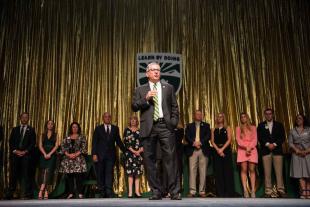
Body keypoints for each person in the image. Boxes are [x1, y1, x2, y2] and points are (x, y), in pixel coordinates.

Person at [132, 62, 181, 200]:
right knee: (149, 160)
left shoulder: (168, 88)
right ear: (147, 73)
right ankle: (156, 191)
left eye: (158, 70)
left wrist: (173, 122)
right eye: (153, 70)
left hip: (165, 126)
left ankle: (174, 191)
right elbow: (134, 106)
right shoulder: (140, 89)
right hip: (149, 127)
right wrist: (145, 99)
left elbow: (174, 107)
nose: (156, 72)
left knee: (170, 159)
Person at [92, 112, 126, 198]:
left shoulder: (115, 128)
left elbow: (118, 141)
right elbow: (94, 142)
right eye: (105, 117)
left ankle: (108, 192)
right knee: (101, 173)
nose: (107, 118)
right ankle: (102, 191)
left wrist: (126, 151)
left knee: (109, 173)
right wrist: (94, 154)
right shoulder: (98, 128)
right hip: (100, 155)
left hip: (111, 155)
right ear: (103, 118)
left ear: (110, 118)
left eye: (109, 117)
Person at [6, 112, 36, 199]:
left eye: (26, 117)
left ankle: (27, 194)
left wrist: (25, 151)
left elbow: (33, 143)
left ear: (28, 119)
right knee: (14, 174)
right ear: (20, 118)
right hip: (15, 155)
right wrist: (15, 151)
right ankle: (11, 193)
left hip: (26, 156)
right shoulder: (15, 129)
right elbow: (11, 142)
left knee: (26, 175)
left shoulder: (31, 130)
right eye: (23, 117)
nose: (24, 119)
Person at [257, 108, 286, 198]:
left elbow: (282, 137)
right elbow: (260, 137)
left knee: (279, 172)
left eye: (270, 114)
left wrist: (274, 144)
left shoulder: (279, 125)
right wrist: (267, 144)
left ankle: (280, 190)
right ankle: (268, 191)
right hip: (266, 151)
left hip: (277, 151)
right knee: (267, 172)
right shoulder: (261, 125)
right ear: (264, 115)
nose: (268, 115)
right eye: (266, 114)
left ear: (273, 114)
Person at [185, 110, 211, 197]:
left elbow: (208, 136)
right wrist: (194, 143)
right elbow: (187, 136)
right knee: (192, 171)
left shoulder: (206, 125)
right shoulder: (189, 126)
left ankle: (202, 191)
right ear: (194, 115)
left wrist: (200, 143)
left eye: (200, 114)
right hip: (192, 150)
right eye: (197, 114)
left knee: (203, 171)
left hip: (203, 149)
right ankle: (192, 191)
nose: (199, 115)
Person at [59, 122, 88, 199]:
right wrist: (68, 154)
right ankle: (71, 193)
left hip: (78, 159)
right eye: (73, 127)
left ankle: (80, 193)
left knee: (79, 176)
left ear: (78, 128)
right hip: (68, 159)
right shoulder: (67, 137)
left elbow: (84, 148)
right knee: (70, 177)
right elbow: (62, 147)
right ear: (71, 128)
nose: (75, 128)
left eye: (76, 127)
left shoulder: (82, 137)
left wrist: (76, 154)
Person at [211, 112, 235, 197]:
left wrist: (222, 149)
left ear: (224, 118)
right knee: (218, 172)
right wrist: (218, 150)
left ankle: (228, 192)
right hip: (216, 152)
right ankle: (220, 192)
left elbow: (229, 140)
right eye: (218, 117)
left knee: (227, 171)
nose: (219, 118)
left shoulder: (227, 128)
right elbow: (212, 141)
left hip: (226, 151)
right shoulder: (213, 129)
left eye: (221, 117)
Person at [236, 113, 258, 198]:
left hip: (252, 149)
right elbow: (238, 140)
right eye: (241, 117)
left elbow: (255, 140)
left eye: (244, 117)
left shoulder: (253, 128)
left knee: (252, 169)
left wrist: (250, 147)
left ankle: (253, 190)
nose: (243, 118)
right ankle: (245, 190)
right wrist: (246, 147)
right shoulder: (238, 128)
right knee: (244, 169)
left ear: (247, 118)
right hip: (242, 150)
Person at [288, 114, 310, 199]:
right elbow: (290, 143)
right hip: (296, 154)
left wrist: (306, 151)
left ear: (304, 120)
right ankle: (303, 191)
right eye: (297, 118)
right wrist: (297, 150)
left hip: (308, 154)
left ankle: (308, 191)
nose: (298, 120)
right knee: (299, 173)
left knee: (308, 173)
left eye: (300, 118)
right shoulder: (292, 131)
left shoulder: (308, 130)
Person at [37, 120, 59, 199]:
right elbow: (40, 145)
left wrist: (49, 154)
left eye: (52, 124)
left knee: (48, 172)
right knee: (43, 172)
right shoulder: (42, 135)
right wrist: (45, 154)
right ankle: (46, 191)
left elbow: (56, 146)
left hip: (52, 155)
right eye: (49, 124)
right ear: (46, 125)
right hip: (43, 155)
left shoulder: (56, 135)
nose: (50, 125)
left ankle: (41, 191)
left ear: (53, 126)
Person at [123, 115, 143, 198]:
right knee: (130, 174)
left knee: (137, 174)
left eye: (135, 120)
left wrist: (139, 151)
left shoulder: (140, 131)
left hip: (139, 154)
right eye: (132, 120)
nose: (133, 121)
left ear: (137, 121)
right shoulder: (127, 130)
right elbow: (126, 142)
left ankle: (137, 192)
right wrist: (134, 151)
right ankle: (130, 192)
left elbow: (143, 142)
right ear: (130, 121)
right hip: (130, 155)